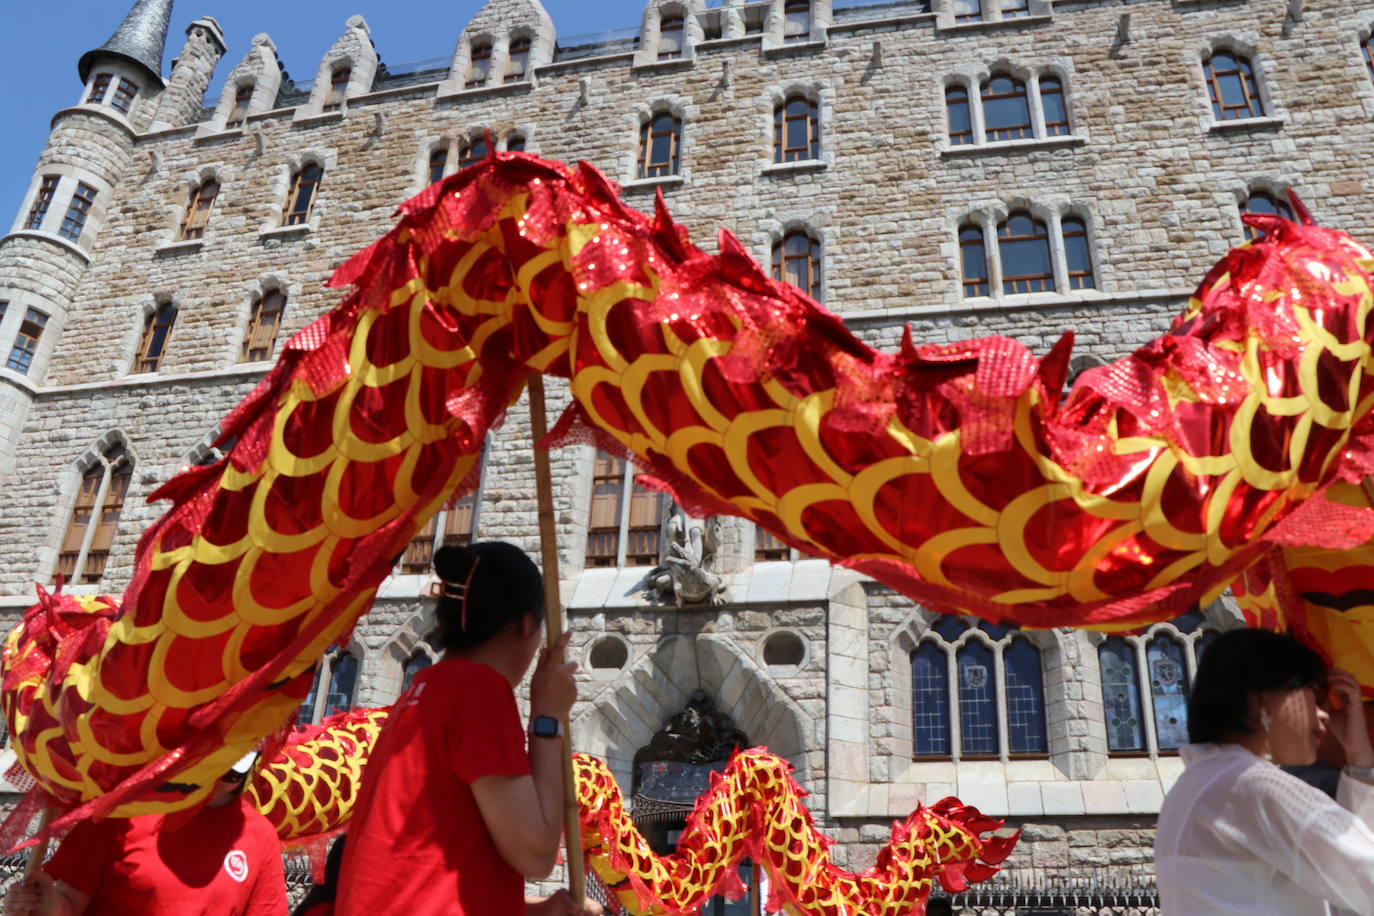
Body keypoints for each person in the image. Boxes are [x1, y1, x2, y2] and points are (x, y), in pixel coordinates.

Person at [335, 542, 601, 916]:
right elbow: (536, 853)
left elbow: (433, 875)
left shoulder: (424, 686)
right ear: (526, 625)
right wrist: (548, 717)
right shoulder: (478, 689)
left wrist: (542, 910)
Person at [1154, 628, 1374, 915]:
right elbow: (1364, 877)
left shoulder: (1197, 786)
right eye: (1315, 694)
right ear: (1262, 699)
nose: (1324, 714)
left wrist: (1358, 759)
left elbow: (1350, 879)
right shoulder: (1253, 785)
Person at [3, 751, 287, 916]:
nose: (220, 782)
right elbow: (69, 904)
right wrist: (42, 901)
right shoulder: (124, 811)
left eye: (232, 775)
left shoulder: (259, 835)